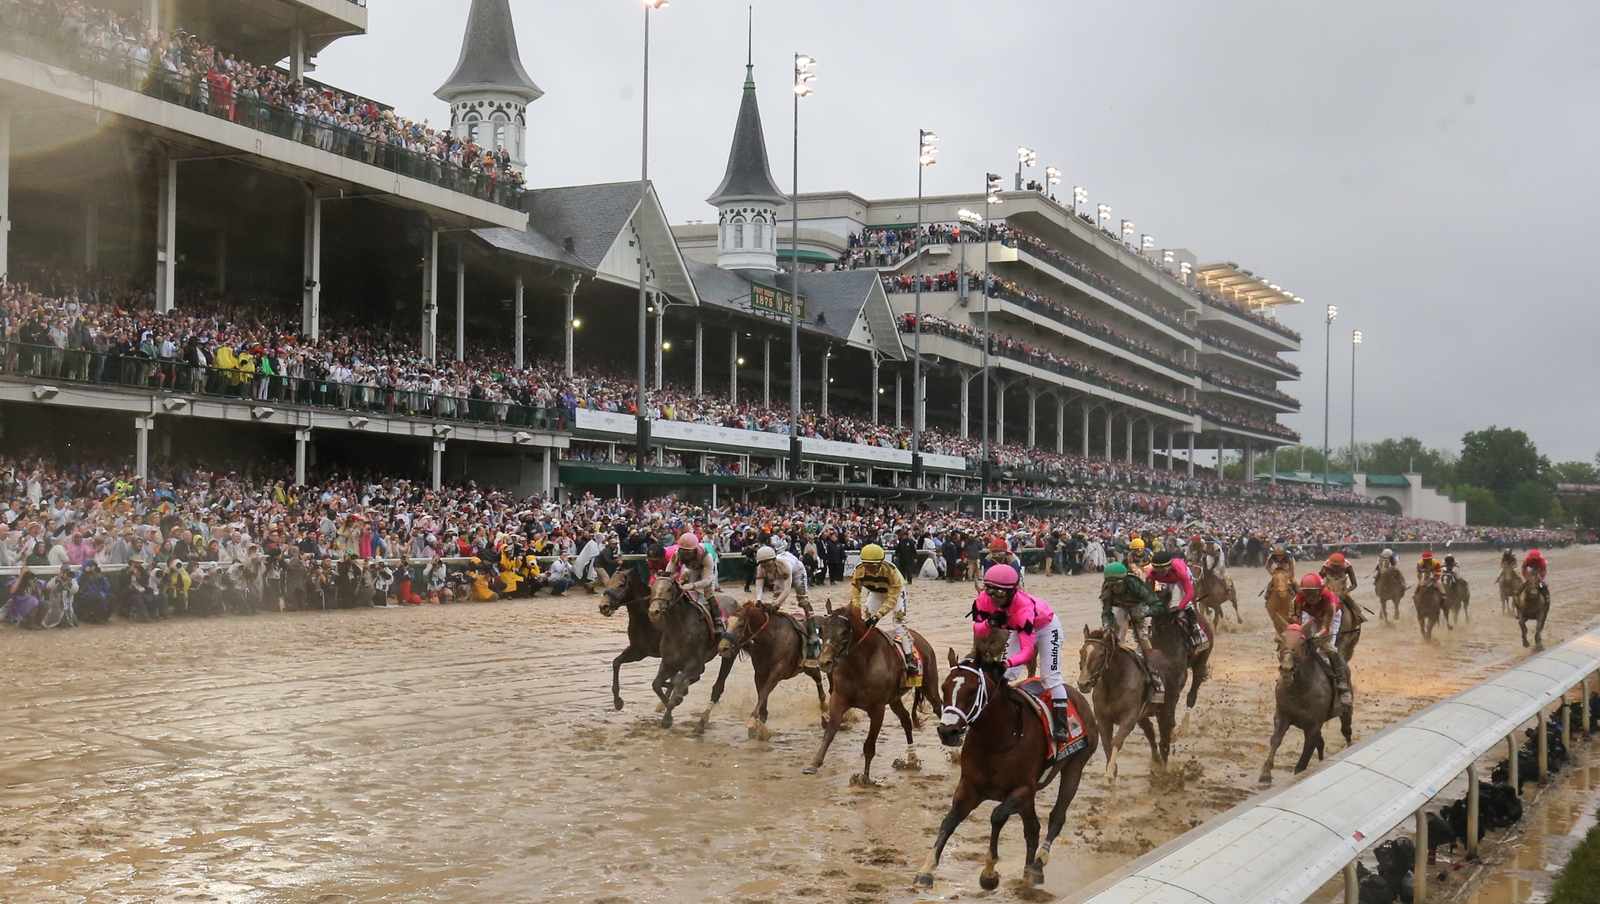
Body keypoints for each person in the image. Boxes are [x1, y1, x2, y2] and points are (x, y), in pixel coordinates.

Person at [970, 564, 1072, 741]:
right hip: (1017, 627)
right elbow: (979, 631)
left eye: (999, 592)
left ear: (1011, 592)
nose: (993, 597)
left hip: (1047, 627)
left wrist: (1005, 663)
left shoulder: (1023, 609)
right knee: (1006, 675)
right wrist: (990, 623)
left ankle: (1061, 726)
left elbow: (1027, 652)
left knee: (1050, 677)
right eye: (989, 589)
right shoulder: (982, 600)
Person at [1098, 561, 1166, 703]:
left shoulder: (1136, 585)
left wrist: (1142, 615)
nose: (1115, 588)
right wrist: (1107, 625)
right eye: (1111, 585)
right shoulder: (1106, 589)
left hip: (1139, 605)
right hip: (1119, 607)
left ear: (1125, 581)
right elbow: (1106, 611)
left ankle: (1153, 670)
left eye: (1118, 584)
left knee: (1141, 635)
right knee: (1112, 634)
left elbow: (1158, 605)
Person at [849, 543, 915, 674]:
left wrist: (878, 616)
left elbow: (891, 599)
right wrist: (856, 608)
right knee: (865, 618)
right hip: (876, 592)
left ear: (880, 563)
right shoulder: (859, 571)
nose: (869, 569)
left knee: (899, 623)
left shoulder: (893, 573)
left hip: (894, 593)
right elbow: (855, 591)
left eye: (873, 566)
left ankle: (910, 656)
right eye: (866, 565)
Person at [752, 545, 821, 666]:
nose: (766, 568)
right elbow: (759, 586)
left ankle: (812, 632)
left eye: (768, 565)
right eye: (763, 566)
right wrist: (758, 600)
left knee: (802, 600)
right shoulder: (761, 568)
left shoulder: (784, 567)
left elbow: (786, 591)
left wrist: (775, 604)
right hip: (780, 573)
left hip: (797, 571)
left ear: (774, 561)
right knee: (775, 598)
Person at [1292, 573, 1353, 705]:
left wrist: (1316, 638)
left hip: (1331, 616)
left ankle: (1342, 684)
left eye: (1314, 593)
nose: (1310, 597)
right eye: (1307, 594)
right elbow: (1295, 620)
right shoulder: (1298, 600)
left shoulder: (1329, 601)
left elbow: (1326, 629)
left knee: (1326, 647)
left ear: (1320, 591)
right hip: (1311, 614)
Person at [1148, 551, 1208, 652]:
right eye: (1157, 570)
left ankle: (1195, 631)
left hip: (1179, 577)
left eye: (1162, 571)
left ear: (1168, 568)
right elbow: (1149, 593)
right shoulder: (1151, 573)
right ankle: (1150, 628)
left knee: (1186, 604)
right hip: (1167, 580)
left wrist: (1179, 607)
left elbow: (1190, 593)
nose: (1159, 573)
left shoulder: (1180, 571)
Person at [665, 532, 721, 632]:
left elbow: (706, 580)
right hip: (692, 566)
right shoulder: (677, 553)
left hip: (707, 564)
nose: (686, 554)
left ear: (695, 549)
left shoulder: (707, 556)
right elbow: (669, 570)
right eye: (684, 550)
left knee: (707, 591)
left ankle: (717, 620)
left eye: (689, 551)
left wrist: (692, 585)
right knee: (683, 582)